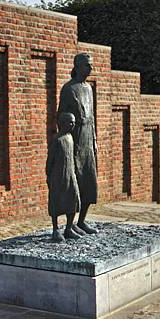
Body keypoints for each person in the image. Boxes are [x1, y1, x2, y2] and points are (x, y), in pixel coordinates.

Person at [58, 53, 99, 235]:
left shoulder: (89, 88)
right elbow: (60, 116)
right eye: (87, 66)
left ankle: (81, 221)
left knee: (90, 183)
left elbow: (93, 117)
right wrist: (66, 141)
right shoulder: (69, 89)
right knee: (75, 184)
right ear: (77, 66)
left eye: (91, 65)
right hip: (75, 140)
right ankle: (69, 225)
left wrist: (95, 140)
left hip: (88, 140)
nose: (90, 69)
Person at [47, 112, 81, 241]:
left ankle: (68, 228)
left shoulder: (70, 137)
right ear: (62, 123)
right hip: (58, 175)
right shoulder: (57, 139)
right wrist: (49, 176)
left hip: (70, 174)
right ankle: (56, 229)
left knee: (74, 199)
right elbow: (50, 160)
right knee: (56, 202)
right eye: (70, 122)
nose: (73, 125)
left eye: (74, 122)